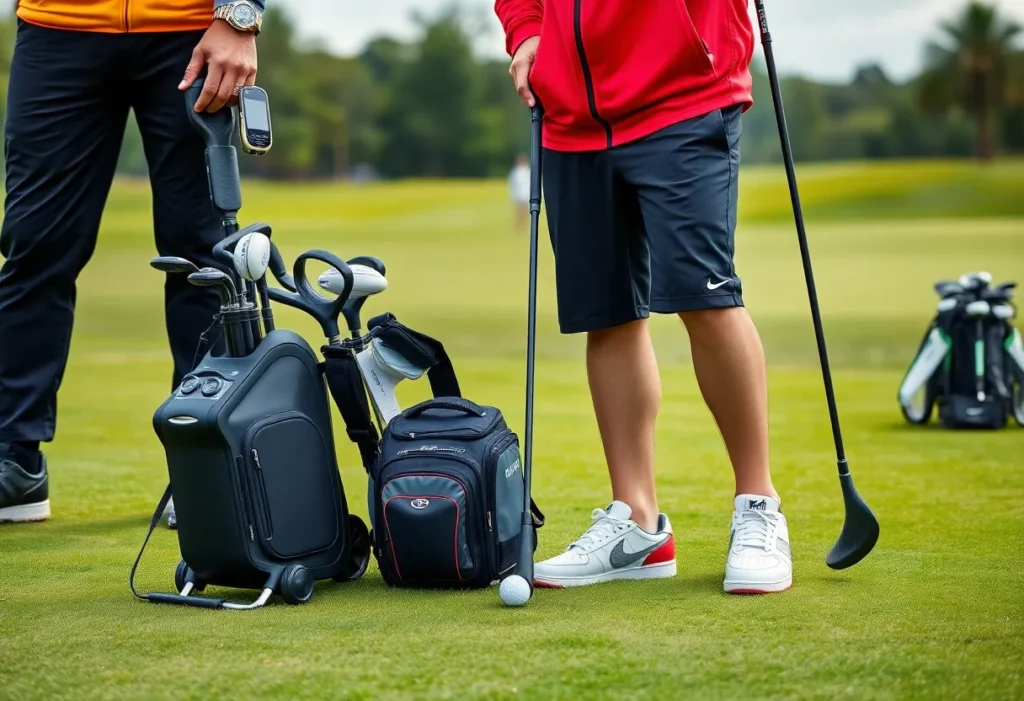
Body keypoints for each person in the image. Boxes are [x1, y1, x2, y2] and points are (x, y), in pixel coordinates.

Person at [494, 0, 792, 594]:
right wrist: (526, 30)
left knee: (705, 299)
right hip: (572, 118)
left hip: (682, 97)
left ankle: (758, 504)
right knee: (606, 314)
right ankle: (637, 523)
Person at [0, 0, 267, 526]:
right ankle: (14, 458)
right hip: (58, 27)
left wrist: (241, 15)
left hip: (191, 29)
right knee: (35, 246)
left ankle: (205, 464)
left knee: (201, 256)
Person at [507, 154, 531, 232]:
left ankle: (526, 226)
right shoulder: (515, 172)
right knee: (519, 211)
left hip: (526, 194)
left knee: (526, 211)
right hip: (518, 194)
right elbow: (512, 183)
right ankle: (518, 226)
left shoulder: (528, 171)